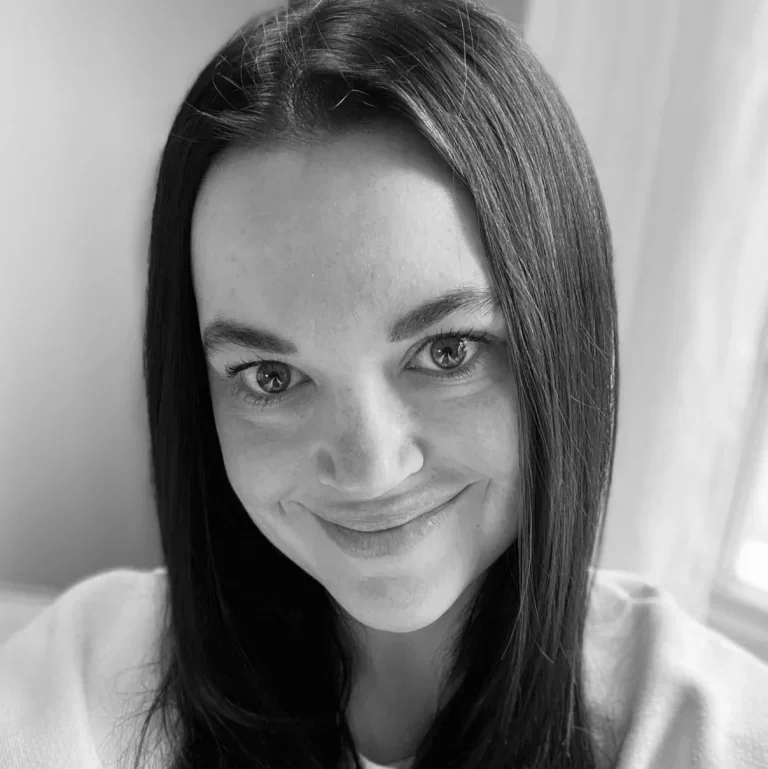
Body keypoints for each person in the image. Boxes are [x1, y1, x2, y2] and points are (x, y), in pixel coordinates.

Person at [2, 0, 768, 767]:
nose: (370, 466)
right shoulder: (81, 679)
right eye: (271, 376)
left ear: (561, 340)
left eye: (447, 351)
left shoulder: (710, 730)